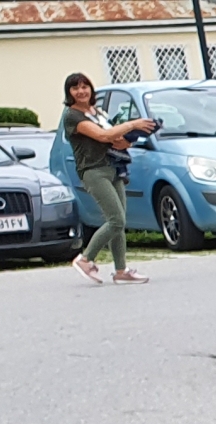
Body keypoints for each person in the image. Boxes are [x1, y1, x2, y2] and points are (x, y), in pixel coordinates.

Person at [59, 72, 154, 284]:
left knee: (119, 221)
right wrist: (132, 124)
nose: (81, 91)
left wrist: (127, 140)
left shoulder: (97, 111)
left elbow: (112, 137)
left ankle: (121, 270)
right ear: (69, 93)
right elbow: (101, 135)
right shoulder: (72, 116)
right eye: (76, 88)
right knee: (115, 219)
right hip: (94, 171)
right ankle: (85, 259)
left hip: (113, 167)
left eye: (85, 86)